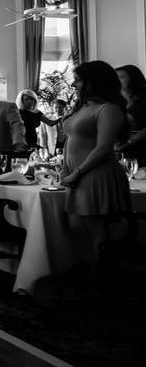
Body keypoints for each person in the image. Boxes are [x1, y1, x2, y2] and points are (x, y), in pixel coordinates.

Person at [60, 61, 131, 271]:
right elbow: (71, 140)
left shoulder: (109, 109)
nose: (74, 84)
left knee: (96, 228)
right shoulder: (84, 106)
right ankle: (88, 272)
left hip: (96, 173)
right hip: (78, 175)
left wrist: (77, 173)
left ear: (94, 81)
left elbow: (103, 148)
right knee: (76, 227)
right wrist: (67, 169)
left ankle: (102, 277)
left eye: (78, 80)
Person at [115, 64, 146, 166]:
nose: (117, 80)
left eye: (121, 77)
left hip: (141, 151)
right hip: (119, 152)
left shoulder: (144, 101)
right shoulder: (115, 102)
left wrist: (129, 141)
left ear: (133, 79)